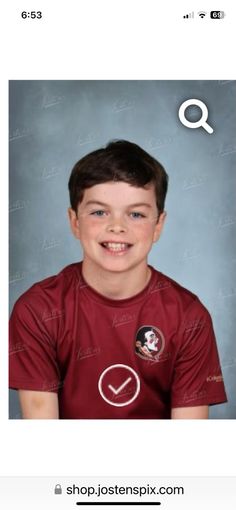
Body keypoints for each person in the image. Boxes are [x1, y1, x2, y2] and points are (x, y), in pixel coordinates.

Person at [9, 140, 227, 419]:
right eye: (99, 212)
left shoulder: (189, 318)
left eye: (136, 214)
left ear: (158, 225)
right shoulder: (38, 310)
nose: (117, 227)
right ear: (74, 221)